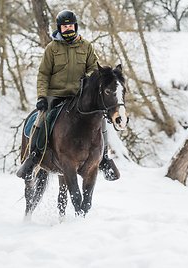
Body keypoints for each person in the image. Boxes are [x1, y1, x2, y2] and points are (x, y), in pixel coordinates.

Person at [17, 10, 119, 181]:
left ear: (75, 26)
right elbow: (43, 74)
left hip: (78, 96)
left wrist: (92, 83)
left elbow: (94, 70)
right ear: (60, 28)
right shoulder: (52, 48)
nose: (68, 29)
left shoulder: (86, 46)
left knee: (100, 118)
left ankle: (104, 159)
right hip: (55, 95)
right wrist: (42, 97)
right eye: (65, 26)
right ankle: (34, 156)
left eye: (70, 25)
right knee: (42, 119)